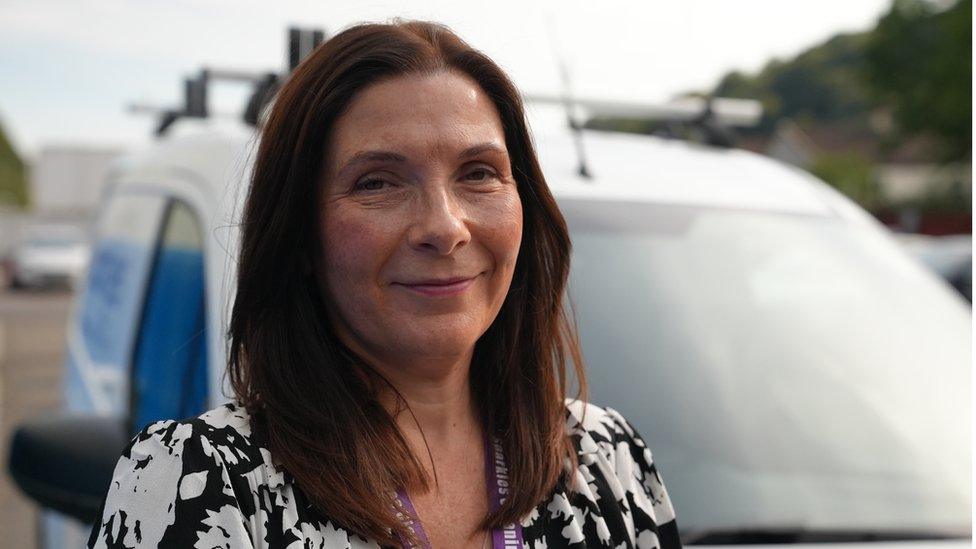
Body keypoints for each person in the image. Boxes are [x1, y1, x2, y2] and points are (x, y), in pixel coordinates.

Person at [88, 20, 680, 549]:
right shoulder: (198, 482)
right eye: (377, 183)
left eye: (479, 173)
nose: (445, 228)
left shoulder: (608, 462)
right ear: (298, 236)